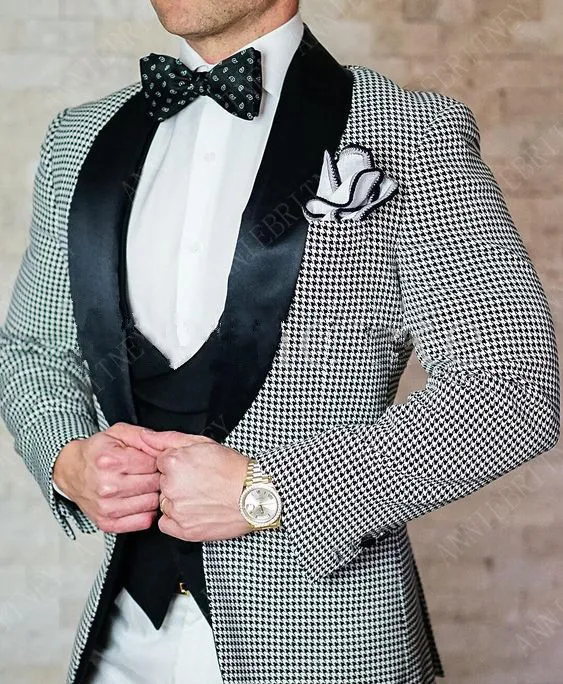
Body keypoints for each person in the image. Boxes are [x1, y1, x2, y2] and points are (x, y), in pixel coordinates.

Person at [0, 0, 559, 682]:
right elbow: (31, 350)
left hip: (326, 643)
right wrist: (65, 456)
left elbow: (513, 385)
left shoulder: (410, 132)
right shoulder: (79, 138)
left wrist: (270, 491)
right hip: (120, 643)